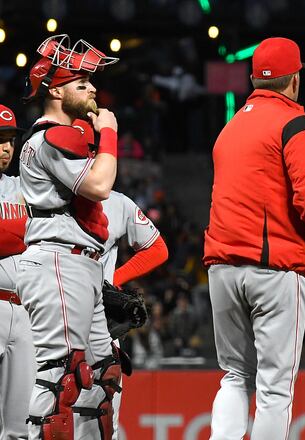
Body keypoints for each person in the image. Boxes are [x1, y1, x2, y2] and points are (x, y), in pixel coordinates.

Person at [204, 37, 305, 439]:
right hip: (274, 268)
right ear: (294, 81)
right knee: (274, 388)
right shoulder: (296, 123)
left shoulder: (230, 128)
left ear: (255, 79)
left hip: (222, 267)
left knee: (234, 375)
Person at [16, 34, 120, 439]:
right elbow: (99, 185)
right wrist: (108, 132)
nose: (92, 88)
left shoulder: (54, 136)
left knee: (102, 378)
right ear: (55, 90)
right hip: (59, 259)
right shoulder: (56, 135)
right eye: (81, 83)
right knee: (58, 376)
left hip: (78, 261)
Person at [71, 119, 169, 439]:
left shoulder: (116, 202)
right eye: (74, 152)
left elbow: (157, 249)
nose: (82, 159)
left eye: (87, 152)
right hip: (52, 319)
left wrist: (114, 278)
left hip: (98, 326)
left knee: (99, 419)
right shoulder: (45, 198)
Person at [0, 104, 34, 439]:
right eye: (0, 139)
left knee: (19, 427)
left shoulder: (21, 186)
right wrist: (22, 233)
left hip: (24, 312)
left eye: (11, 139)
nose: (7, 147)